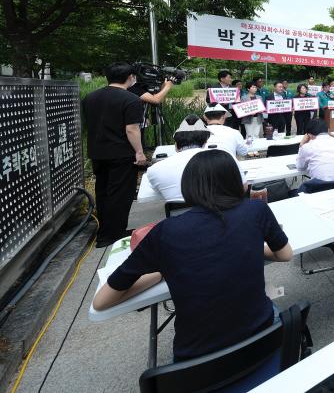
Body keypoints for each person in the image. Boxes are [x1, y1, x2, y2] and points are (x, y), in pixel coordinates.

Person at [93, 150, 293, 361]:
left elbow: (101, 302)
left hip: (197, 366)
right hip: (263, 343)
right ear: (235, 180)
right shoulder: (256, 210)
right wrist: (249, 244)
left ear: (188, 186)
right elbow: (286, 254)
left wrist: (159, 274)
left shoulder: (165, 232)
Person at [82, 62, 145, 248]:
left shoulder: (90, 97)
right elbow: (132, 129)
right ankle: (114, 234)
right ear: (130, 77)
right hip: (121, 153)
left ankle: (105, 232)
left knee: (103, 192)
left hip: (97, 152)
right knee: (120, 195)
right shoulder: (131, 99)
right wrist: (139, 152)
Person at [147, 117, 212, 202]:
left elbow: (157, 191)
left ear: (176, 145)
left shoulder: (154, 170)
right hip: (215, 210)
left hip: (177, 213)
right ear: (205, 142)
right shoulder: (223, 160)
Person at [295, 118, 334, 191]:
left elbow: (300, 167)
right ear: (328, 130)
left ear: (309, 135)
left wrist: (302, 144)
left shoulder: (306, 147)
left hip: (318, 189)